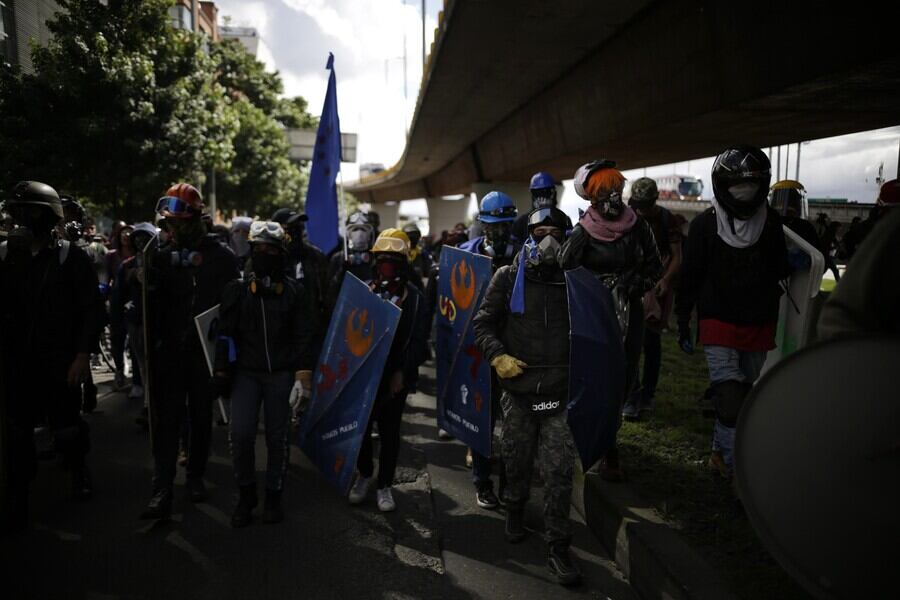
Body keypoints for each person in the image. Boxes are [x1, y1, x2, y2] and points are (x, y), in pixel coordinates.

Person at [473, 206, 581, 586]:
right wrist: (497, 356)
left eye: (556, 231)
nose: (548, 239)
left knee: (558, 473)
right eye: (540, 232)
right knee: (516, 462)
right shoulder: (506, 277)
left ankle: (558, 546)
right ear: (527, 237)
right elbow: (483, 323)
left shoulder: (575, 281)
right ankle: (514, 508)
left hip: (559, 394)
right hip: (518, 394)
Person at [675, 145, 790, 481]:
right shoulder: (703, 227)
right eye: (736, 187)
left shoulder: (771, 225)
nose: (743, 194)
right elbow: (691, 276)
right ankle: (739, 472)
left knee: (744, 394)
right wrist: (683, 320)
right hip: (717, 320)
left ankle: (718, 452)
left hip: (758, 320)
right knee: (729, 397)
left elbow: (779, 267)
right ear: (721, 187)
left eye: (750, 187)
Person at [0, 181, 104, 531]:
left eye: (32, 212)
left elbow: (91, 309)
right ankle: (18, 495)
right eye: (19, 212)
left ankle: (78, 470)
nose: (24, 219)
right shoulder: (5, 256)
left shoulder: (68, 257)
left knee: (66, 429)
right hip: (17, 363)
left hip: (60, 360)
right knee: (16, 434)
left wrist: (81, 355)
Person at [140, 183, 240, 520]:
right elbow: (147, 308)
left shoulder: (222, 259)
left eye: (179, 224)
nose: (173, 230)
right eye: (168, 224)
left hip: (204, 355)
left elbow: (230, 315)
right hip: (168, 353)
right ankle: (162, 487)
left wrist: (225, 364)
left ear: (197, 220)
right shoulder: (158, 258)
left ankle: (195, 475)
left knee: (200, 419)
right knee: (166, 421)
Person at [560, 160, 662, 480]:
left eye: (616, 190)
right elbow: (564, 266)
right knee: (595, 378)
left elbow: (655, 267)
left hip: (629, 311)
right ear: (591, 198)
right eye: (605, 192)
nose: (613, 198)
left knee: (623, 377)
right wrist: (593, 287)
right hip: (593, 317)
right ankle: (598, 444)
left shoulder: (639, 227)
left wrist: (634, 285)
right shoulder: (582, 232)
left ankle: (610, 442)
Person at [213, 221, 315, 527]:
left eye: (272, 250)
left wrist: (303, 377)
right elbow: (224, 335)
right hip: (246, 374)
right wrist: (220, 372)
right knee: (240, 435)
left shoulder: (296, 293)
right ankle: (246, 496)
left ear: (282, 254)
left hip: (281, 375)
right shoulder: (238, 291)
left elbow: (304, 336)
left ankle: (273, 496)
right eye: (259, 250)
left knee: (277, 438)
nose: (265, 255)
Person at [348, 229, 429, 512]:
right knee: (362, 429)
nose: (387, 266)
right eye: (382, 260)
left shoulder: (416, 299)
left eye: (393, 261)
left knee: (390, 432)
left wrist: (402, 373)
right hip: (365, 376)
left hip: (396, 377)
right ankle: (364, 474)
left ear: (403, 263)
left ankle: (384, 485)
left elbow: (419, 342)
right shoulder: (363, 292)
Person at [455, 191, 524, 507]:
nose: (497, 232)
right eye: (492, 225)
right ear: (482, 224)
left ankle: (511, 486)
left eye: (504, 225)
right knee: (480, 418)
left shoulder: (526, 256)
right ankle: (482, 482)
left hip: (514, 349)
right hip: (476, 352)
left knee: (513, 424)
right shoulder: (465, 256)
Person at [622, 177, 682, 420]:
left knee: (650, 341)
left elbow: (678, 256)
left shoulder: (667, 220)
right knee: (631, 342)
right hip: (633, 284)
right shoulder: (630, 217)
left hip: (657, 286)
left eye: (645, 205)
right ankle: (632, 395)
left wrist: (665, 280)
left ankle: (647, 395)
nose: (641, 210)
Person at [326, 210, 377, 309]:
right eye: (355, 229)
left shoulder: (375, 258)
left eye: (364, 229)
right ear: (348, 233)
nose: (360, 234)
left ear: (370, 233)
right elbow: (330, 291)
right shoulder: (338, 258)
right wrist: (342, 271)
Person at [511, 171, 572, 242]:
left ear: (554, 193)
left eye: (547, 192)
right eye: (538, 193)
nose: (543, 198)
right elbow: (514, 247)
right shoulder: (521, 222)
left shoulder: (564, 220)